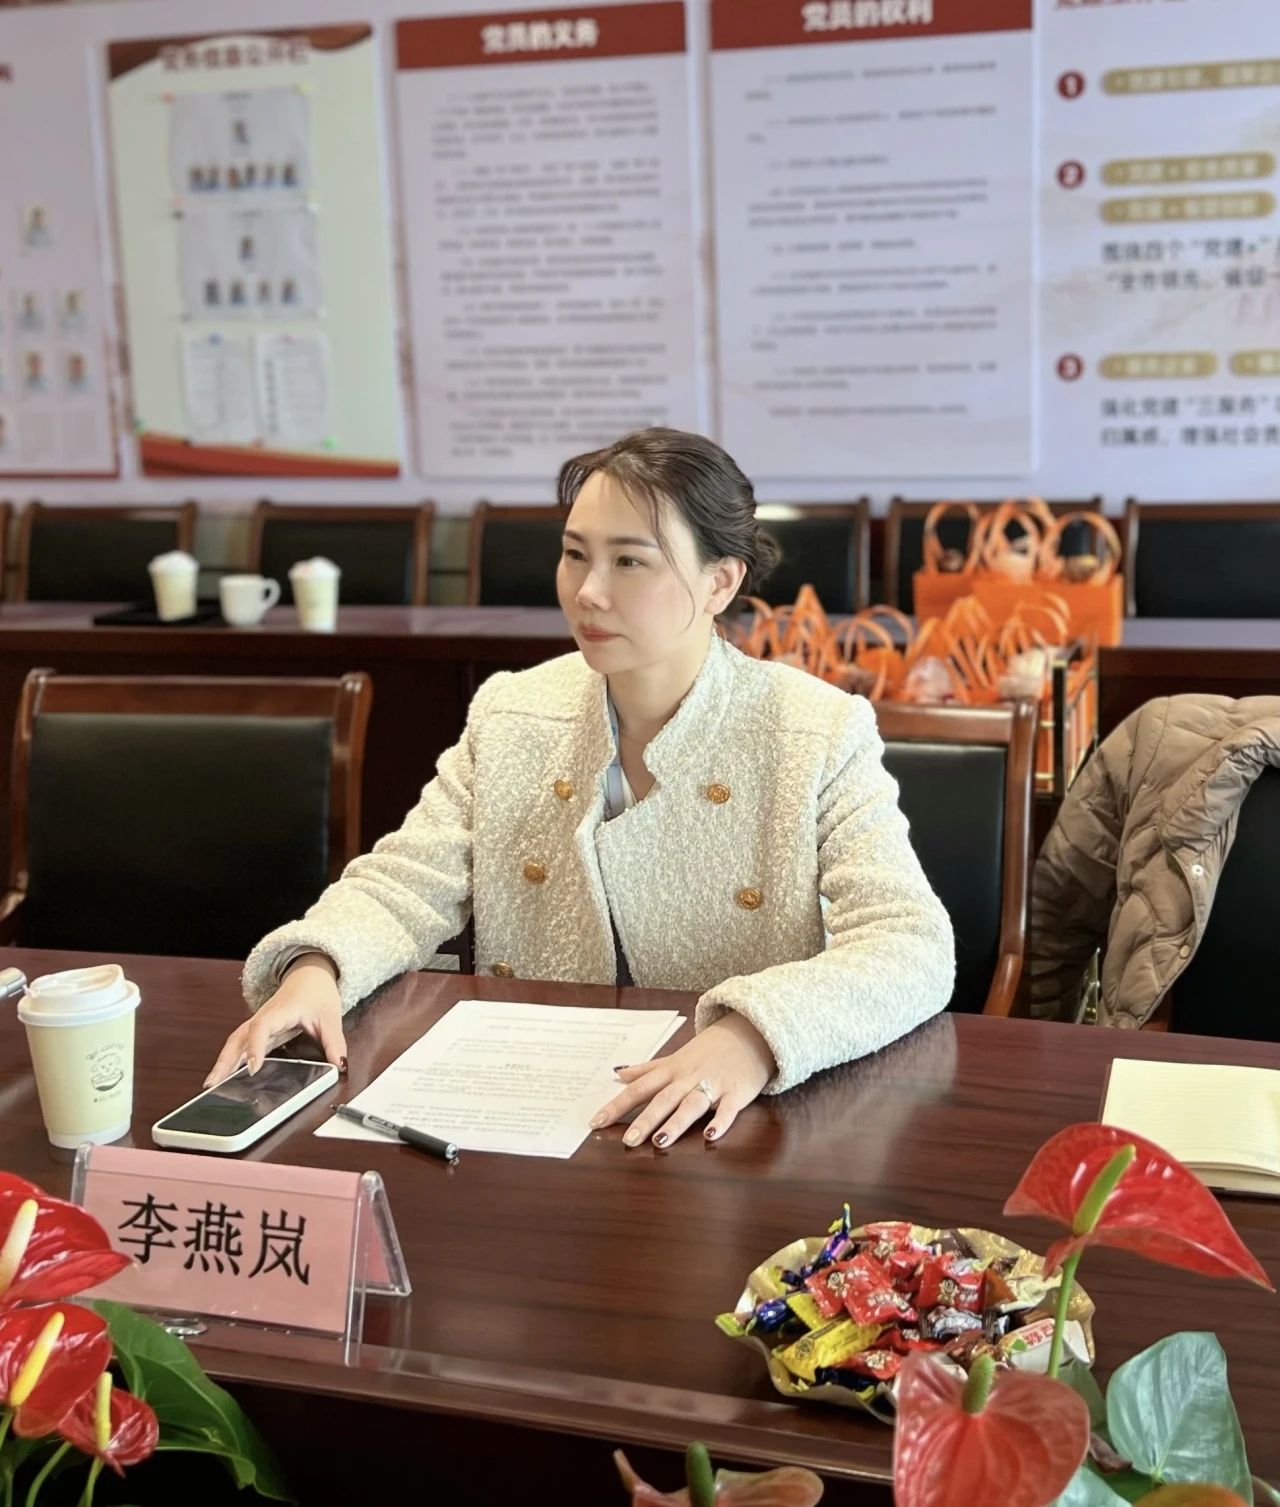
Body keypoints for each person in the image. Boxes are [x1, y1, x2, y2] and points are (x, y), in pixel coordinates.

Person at [208, 428, 955, 1145]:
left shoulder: (815, 730)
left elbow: (909, 944)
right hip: (531, 1099)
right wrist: (318, 968)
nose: (589, 591)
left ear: (720, 581)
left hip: (728, 1116)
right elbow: (406, 881)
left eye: (630, 561)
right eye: (574, 555)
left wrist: (754, 1037)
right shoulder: (513, 710)